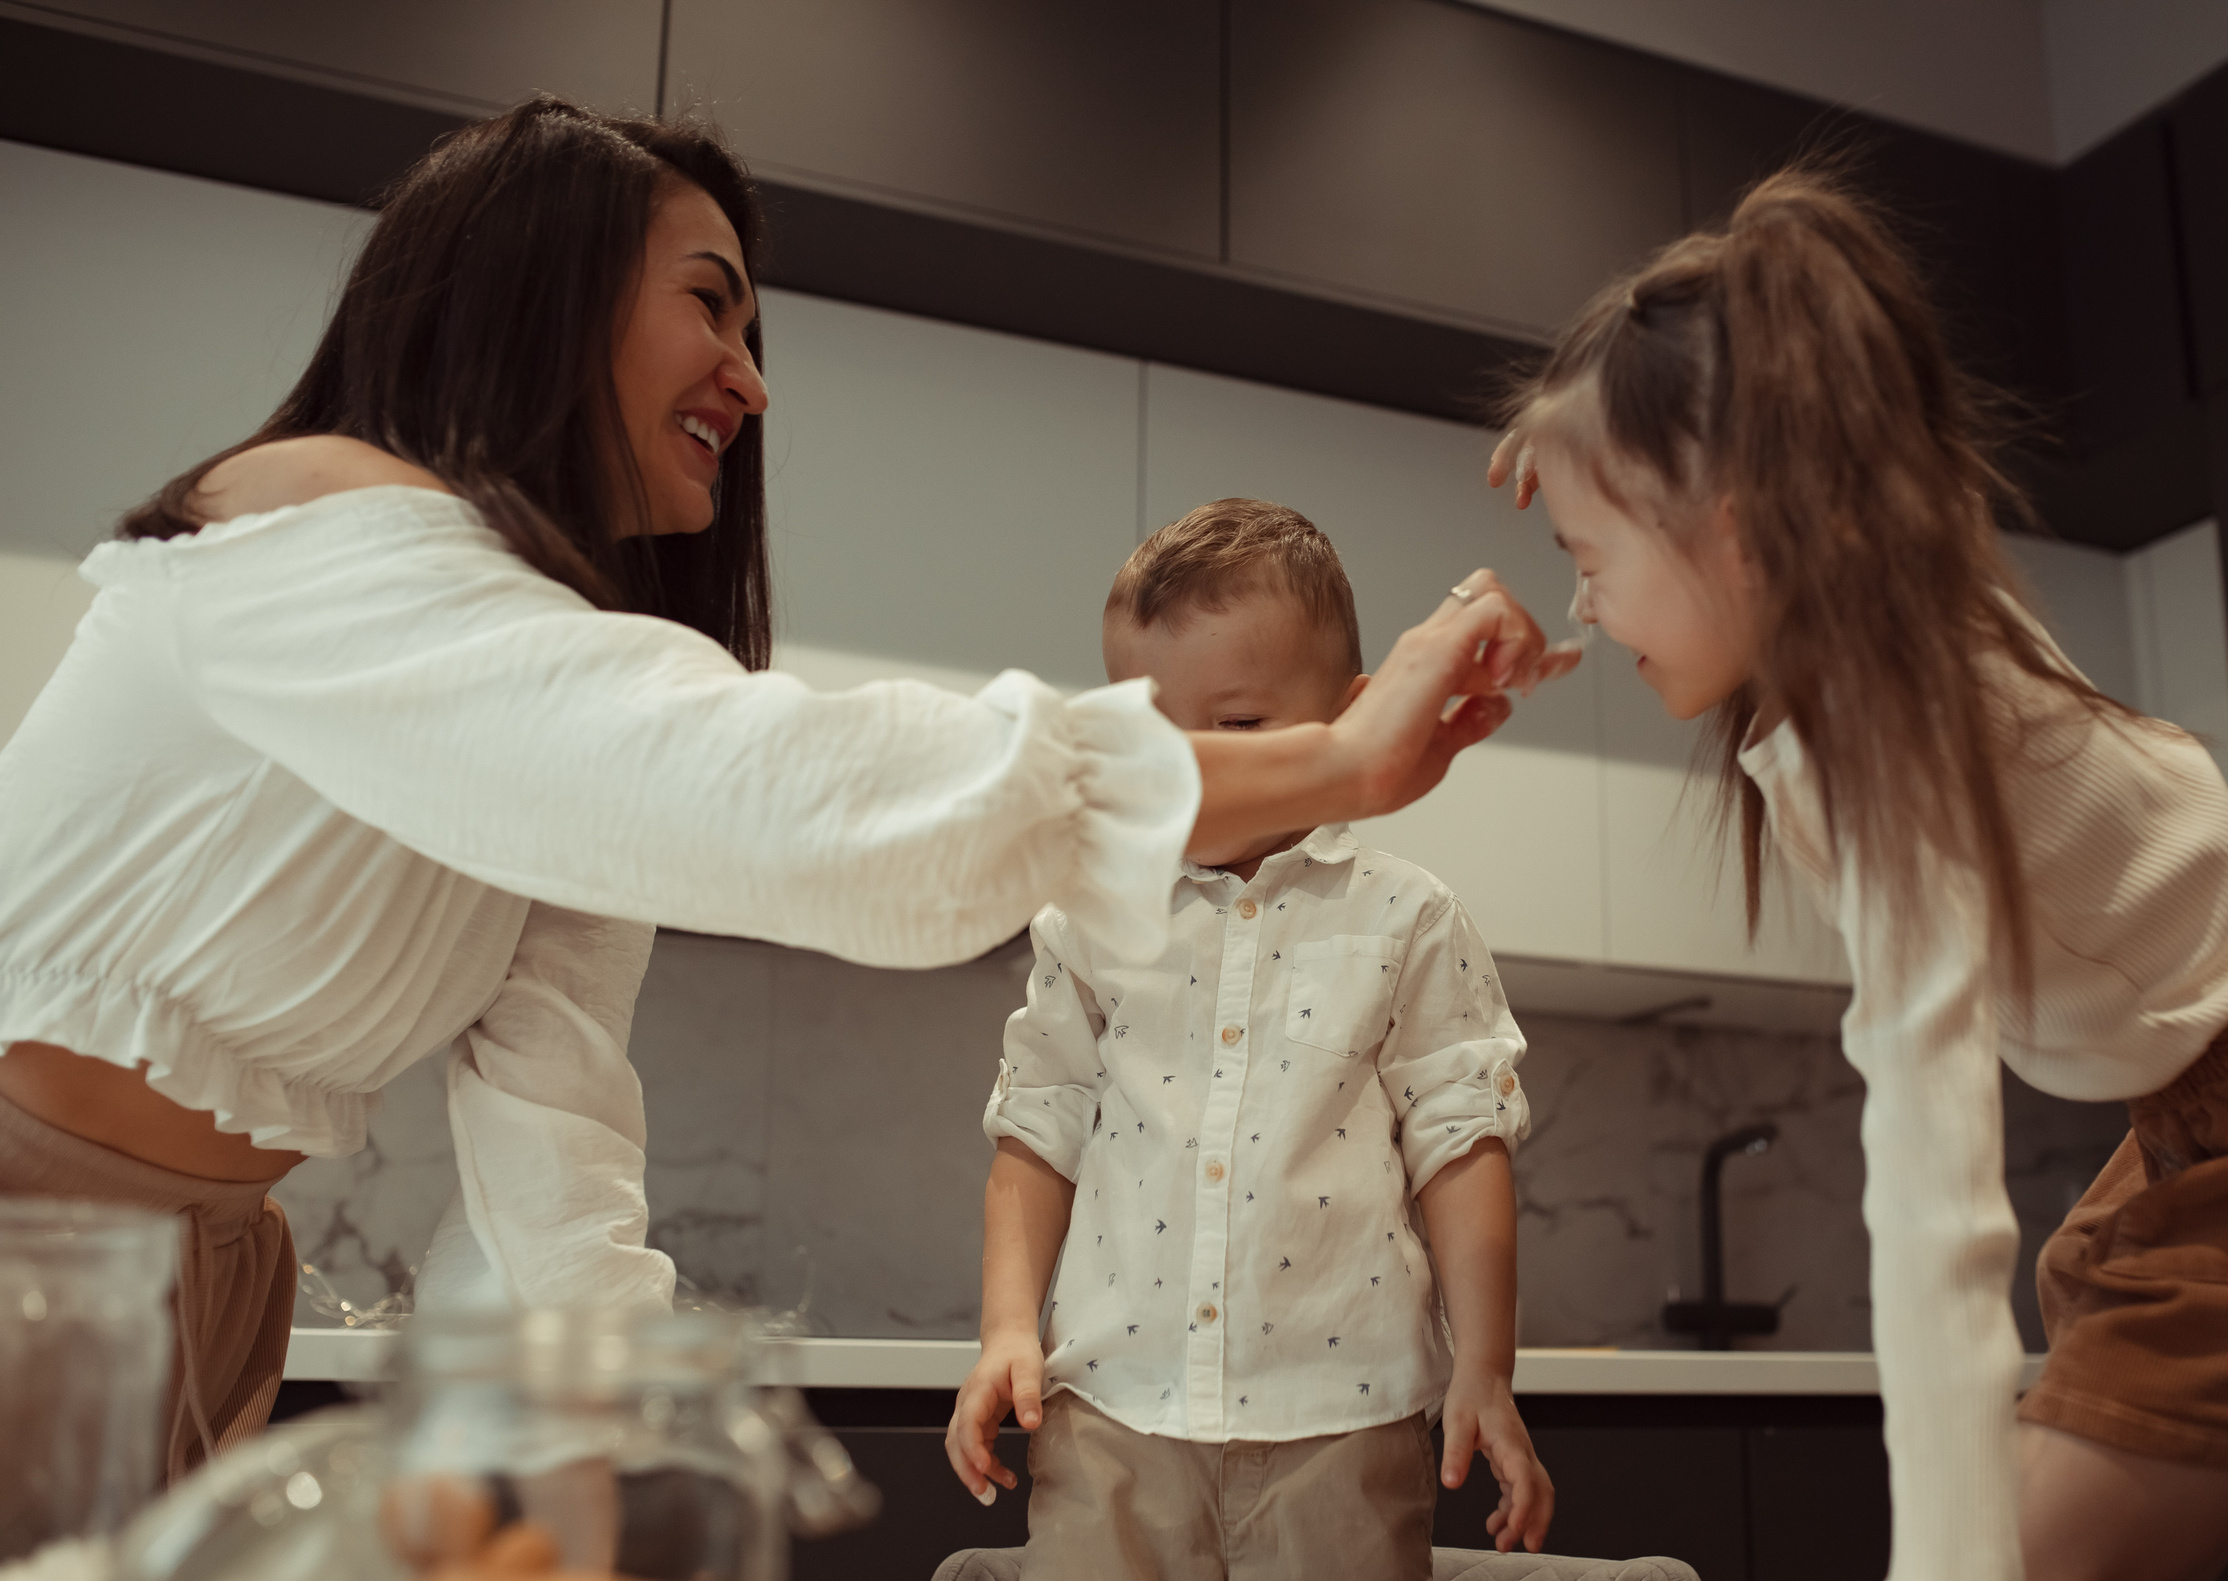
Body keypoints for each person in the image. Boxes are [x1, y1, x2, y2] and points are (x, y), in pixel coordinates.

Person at [0, 99, 1567, 1483]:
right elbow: (815, 809)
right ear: (546, 286)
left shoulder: (545, 687)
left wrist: (639, 1471)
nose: (750, 382)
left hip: (198, 1280)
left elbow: (554, 1126)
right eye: (711, 308)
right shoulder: (324, 528)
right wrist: (1336, 760)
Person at [1492, 167, 2228, 1581]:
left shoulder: (1896, 710)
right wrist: (1591, 435)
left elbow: (1935, 1183)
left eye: (1591, 561)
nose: (1583, 615)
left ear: (1734, 521)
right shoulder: (1889, 651)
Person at [942, 500, 1556, 1581]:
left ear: (1352, 715)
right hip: (1110, 1416)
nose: (1188, 772)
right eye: (1151, 735)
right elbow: (1038, 1130)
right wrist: (1006, 1332)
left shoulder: (1406, 918)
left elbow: (1458, 1144)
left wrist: (1486, 1367)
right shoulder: (1087, 914)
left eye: (1232, 725)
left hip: (1346, 1424)